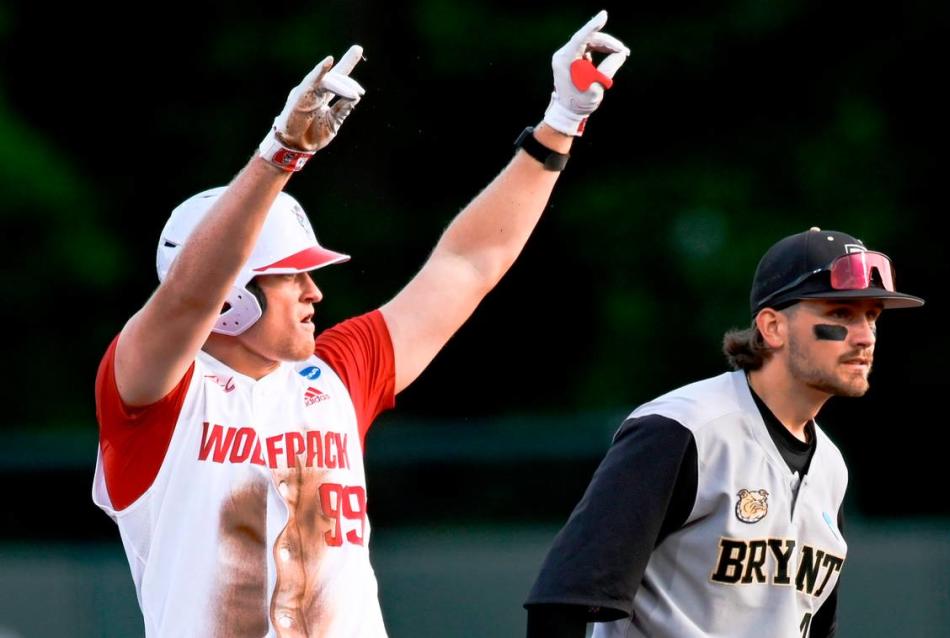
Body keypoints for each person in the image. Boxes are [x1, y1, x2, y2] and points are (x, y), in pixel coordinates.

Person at [91, 12, 629, 638]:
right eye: (290, 276)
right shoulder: (154, 396)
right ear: (232, 298)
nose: (314, 291)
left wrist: (560, 123)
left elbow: (467, 264)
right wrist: (280, 155)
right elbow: (188, 297)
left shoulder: (334, 374)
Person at [524, 227, 924, 638]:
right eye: (840, 314)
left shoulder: (831, 468)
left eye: (872, 316)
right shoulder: (683, 429)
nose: (865, 336)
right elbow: (563, 601)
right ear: (772, 327)